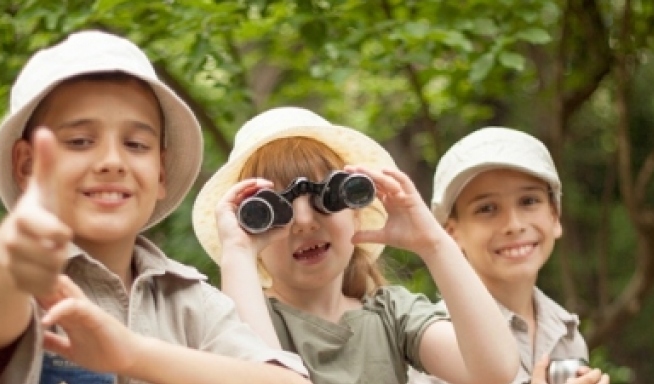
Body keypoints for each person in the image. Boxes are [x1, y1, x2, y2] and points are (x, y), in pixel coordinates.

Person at [0, 30, 309, 384]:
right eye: (81, 141)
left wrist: (131, 354)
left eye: (135, 144)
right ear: (26, 165)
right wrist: (10, 253)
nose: (112, 161)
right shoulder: (21, 280)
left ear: (161, 171)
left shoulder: (190, 301)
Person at [189, 107, 520, 384]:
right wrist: (236, 252)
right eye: (277, 209)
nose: (304, 221)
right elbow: (251, 376)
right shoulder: (255, 322)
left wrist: (434, 242)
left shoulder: (391, 315)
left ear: (358, 211)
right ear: (252, 229)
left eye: (324, 198)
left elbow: (495, 373)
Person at [409, 127, 610, 384]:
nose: (513, 224)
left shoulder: (566, 332)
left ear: (555, 216)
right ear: (452, 234)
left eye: (528, 201)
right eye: (487, 208)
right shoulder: (436, 341)